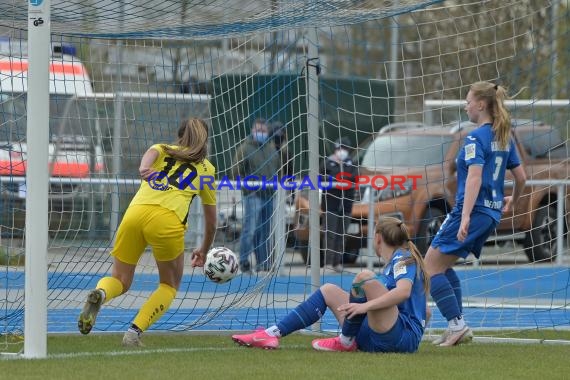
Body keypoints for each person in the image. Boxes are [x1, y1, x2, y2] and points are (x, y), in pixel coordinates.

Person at [77, 117, 217, 346]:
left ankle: (100, 293)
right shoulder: (207, 169)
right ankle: (133, 333)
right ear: (204, 140)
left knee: (120, 279)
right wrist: (203, 249)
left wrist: (143, 167)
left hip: (134, 214)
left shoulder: (163, 149)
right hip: (167, 220)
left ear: (179, 136)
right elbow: (211, 221)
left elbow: (151, 153)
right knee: (169, 286)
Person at [231, 216, 430, 353]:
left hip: (398, 338)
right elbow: (426, 313)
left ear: (378, 238)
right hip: (382, 337)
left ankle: (345, 341)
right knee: (328, 290)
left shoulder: (403, 258)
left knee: (364, 278)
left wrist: (364, 306)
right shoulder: (394, 265)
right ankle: (271, 333)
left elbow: (403, 292)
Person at [425, 81, 527, 347]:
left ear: (481, 105)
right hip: (492, 213)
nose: (466, 105)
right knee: (443, 265)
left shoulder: (475, 137)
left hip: (473, 211)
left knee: (429, 268)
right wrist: (512, 201)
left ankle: (457, 325)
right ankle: (455, 325)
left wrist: (466, 215)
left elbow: (474, 177)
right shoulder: (503, 135)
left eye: (468, 100)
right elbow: (522, 177)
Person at [232, 118, 280, 273]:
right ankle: (244, 261)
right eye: (258, 130)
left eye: (263, 131)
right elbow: (236, 170)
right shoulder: (244, 149)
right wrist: (247, 189)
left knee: (265, 231)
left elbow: (277, 169)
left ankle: (263, 263)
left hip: (269, 195)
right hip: (253, 195)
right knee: (250, 229)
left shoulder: (271, 148)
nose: (261, 133)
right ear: (253, 131)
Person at [320, 137, 357, 271]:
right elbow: (322, 177)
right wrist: (338, 178)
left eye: (344, 149)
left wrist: (339, 178)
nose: (341, 152)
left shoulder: (352, 164)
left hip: (346, 205)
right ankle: (328, 262)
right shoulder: (327, 163)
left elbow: (353, 177)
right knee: (330, 233)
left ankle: (337, 262)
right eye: (339, 149)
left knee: (342, 234)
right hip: (331, 204)